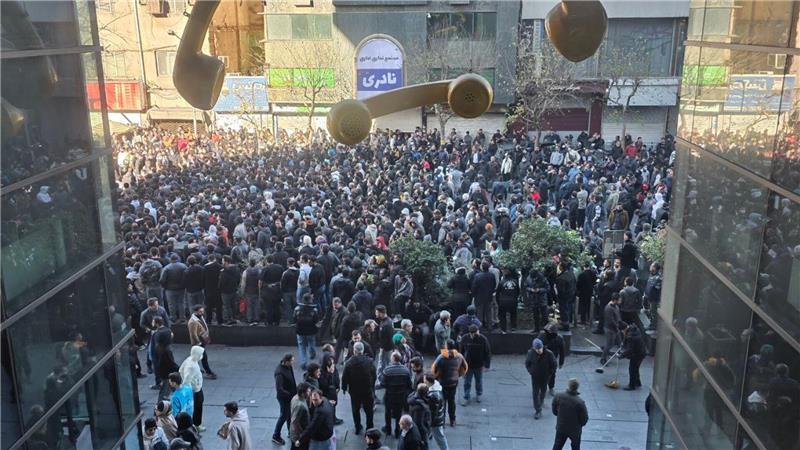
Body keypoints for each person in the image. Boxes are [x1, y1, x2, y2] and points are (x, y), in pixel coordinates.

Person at [431, 340, 468, 427]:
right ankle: (453, 420)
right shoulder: (459, 356)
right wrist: (458, 375)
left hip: (442, 383)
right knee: (452, 402)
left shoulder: (441, 357)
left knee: (442, 402)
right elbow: (465, 367)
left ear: (446, 347)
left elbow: (433, 369)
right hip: (453, 382)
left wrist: (436, 377)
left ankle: (442, 422)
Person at [341, 341, 375, 434]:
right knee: (369, 410)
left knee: (355, 409)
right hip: (367, 389)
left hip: (354, 391)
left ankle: (357, 426)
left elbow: (345, 377)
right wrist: (372, 385)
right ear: (363, 350)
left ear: (354, 350)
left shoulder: (348, 363)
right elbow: (374, 375)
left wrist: (344, 388)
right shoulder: (369, 361)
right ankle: (370, 427)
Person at [380, 351, 413, 438]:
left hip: (389, 395)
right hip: (401, 396)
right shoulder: (406, 370)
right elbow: (409, 384)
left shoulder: (387, 370)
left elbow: (382, 384)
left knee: (388, 412)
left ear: (393, 359)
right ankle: (398, 431)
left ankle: (388, 429)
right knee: (398, 413)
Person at [551, 378, 589, 450]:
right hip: (575, 430)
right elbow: (584, 419)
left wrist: (559, 415)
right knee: (575, 447)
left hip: (561, 427)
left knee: (557, 445)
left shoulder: (558, 396)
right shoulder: (580, 402)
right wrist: (579, 424)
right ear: (577, 387)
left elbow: (554, 410)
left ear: (568, 386)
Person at [459, 325, 491, 405]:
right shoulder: (464, 338)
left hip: (478, 364)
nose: (477, 334)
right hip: (468, 365)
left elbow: (487, 352)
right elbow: (461, 352)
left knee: (478, 381)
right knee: (467, 382)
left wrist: (487, 365)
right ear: (471, 333)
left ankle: (478, 394)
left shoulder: (483, 339)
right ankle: (466, 396)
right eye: (475, 333)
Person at [525, 338, 556, 419]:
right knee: (535, 394)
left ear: (542, 346)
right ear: (534, 348)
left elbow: (554, 364)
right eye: (537, 349)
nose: (539, 350)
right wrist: (530, 371)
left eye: (540, 348)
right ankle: (538, 410)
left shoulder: (549, 354)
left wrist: (549, 373)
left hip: (545, 377)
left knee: (543, 391)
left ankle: (541, 402)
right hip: (535, 377)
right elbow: (527, 363)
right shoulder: (530, 353)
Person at [140, 298, 170, 377]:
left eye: (157, 304)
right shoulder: (145, 313)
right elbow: (142, 324)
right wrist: (149, 330)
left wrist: (168, 330)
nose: (157, 306)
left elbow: (167, 320)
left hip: (161, 331)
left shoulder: (161, 310)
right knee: (151, 348)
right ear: (150, 306)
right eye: (155, 305)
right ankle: (149, 365)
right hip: (152, 333)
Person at [178, 346, 205, 431]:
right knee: (197, 407)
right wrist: (190, 391)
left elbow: (180, 370)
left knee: (197, 405)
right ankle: (197, 424)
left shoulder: (189, 359)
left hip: (196, 388)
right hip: (195, 390)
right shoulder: (192, 366)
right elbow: (186, 380)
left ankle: (195, 423)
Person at [273, 353, 298, 445]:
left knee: (289, 415)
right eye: (292, 361)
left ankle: (290, 431)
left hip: (290, 396)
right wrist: (290, 394)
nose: (293, 362)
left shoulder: (288, 367)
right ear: (286, 361)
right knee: (283, 416)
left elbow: (292, 379)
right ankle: (276, 435)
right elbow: (279, 389)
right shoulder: (279, 372)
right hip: (284, 398)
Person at [187, 304, 216, 379]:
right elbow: (193, 334)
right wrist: (198, 343)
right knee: (203, 357)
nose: (202, 313)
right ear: (196, 312)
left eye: (202, 311)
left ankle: (193, 370)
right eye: (200, 312)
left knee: (195, 358)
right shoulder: (193, 322)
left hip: (202, 340)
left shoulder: (200, 317)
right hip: (198, 342)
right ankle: (208, 372)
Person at [538, 322, 566, 397]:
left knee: (552, 374)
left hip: (552, 360)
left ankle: (551, 387)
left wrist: (561, 362)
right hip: (542, 359)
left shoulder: (559, 339)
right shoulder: (542, 336)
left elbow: (562, 351)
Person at [153, 317, 178, 399]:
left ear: (156, 323)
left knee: (165, 390)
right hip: (168, 370)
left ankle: (160, 405)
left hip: (165, 372)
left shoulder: (157, 334)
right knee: (170, 387)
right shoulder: (168, 330)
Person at [423, 373, 449, 450]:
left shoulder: (434, 395)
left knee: (440, 437)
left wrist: (430, 423)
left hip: (436, 422)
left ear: (428, 381)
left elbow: (433, 412)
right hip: (436, 419)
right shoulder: (435, 389)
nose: (423, 381)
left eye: (424, 379)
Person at [161, 254, 188, 323]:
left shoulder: (167, 268)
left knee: (171, 304)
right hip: (181, 288)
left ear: (171, 259)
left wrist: (165, 286)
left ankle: (173, 317)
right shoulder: (183, 266)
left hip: (170, 289)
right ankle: (182, 317)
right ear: (177, 259)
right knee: (181, 303)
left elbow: (162, 280)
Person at [295, 293, 319, 370]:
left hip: (300, 330)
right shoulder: (314, 310)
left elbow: (294, 319)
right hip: (311, 330)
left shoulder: (297, 309)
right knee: (311, 342)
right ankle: (312, 353)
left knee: (301, 346)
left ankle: (303, 362)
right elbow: (316, 320)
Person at [470, 261, 496, 328]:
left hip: (479, 297)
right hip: (489, 297)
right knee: (489, 312)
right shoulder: (492, 275)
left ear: (482, 267)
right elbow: (494, 285)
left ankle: (479, 327)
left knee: (479, 313)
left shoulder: (477, 276)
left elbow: (474, 287)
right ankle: (490, 326)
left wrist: (473, 294)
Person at [620, 322, 645, 390]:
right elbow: (626, 339)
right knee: (636, 368)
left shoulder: (631, 337)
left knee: (632, 369)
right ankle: (637, 382)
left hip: (637, 354)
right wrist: (624, 343)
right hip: (642, 352)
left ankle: (631, 385)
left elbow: (630, 350)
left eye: (622, 331)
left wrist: (622, 355)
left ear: (624, 330)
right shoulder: (633, 329)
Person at [219, 255, 242, 325]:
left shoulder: (224, 271)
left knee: (226, 306)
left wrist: (220, 288)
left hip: (225, 291)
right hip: (234, 290)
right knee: (233, 305)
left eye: (222, 260)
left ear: (226, 262)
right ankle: (234, 318)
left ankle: (228, 320)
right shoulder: (236, 269)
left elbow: (222, 282)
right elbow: (239, 279)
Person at [496, 267, 520, 332]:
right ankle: (513, 327)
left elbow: (497, 293)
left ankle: (503, 329)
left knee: (502, 315)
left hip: (503, 301)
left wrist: (498, 301)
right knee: (513, 314)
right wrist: (515, 297)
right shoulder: (515, 281)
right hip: (513, 300)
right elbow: (518, 292)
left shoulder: (501, 282)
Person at [601, 294, 622, 365]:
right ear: (615, 300)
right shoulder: (609, 308)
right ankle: (603, 358)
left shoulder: (616, 307)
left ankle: (605, 349)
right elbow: (610, 320)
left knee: (616, 343)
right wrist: (617, 327)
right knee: (610, 344)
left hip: (615, 328)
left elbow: (617, 318)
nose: (620, 301)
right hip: (610, 329)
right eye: (619, 299)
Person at [290, 382, 312, 450]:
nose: (310, 392)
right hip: (299, 436)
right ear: (303, 393)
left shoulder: (296, 397)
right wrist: (302, 435)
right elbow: (295, 422)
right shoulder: (299, 406)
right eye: (308, 391)